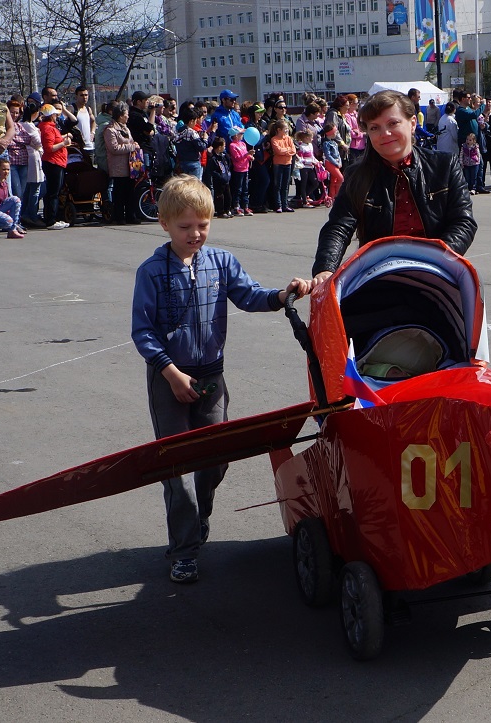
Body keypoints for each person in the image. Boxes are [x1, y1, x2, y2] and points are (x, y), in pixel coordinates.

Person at [131, 175, 311, 583]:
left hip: (211, 376)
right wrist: (170, 373)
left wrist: (283, 296)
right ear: (163, 223)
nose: (195, 234)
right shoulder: (151, 272)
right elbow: (143, 331)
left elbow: (249, 295)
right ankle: (184, 550)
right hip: (168, 378)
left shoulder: (222, 262)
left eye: (203, 225)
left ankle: (198, 522)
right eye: (185, 226)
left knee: (215, 460)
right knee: (176, 469)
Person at [312, 90, 476, 283]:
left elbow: (463, 222)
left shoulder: (444, 164)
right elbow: (338, 226)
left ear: (413, 123)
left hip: (437, 277)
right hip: (380, 279)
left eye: (393, 123)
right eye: (374, 128)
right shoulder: (357, 175)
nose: (385, 134)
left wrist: (436, 260)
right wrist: (325, 269)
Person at [103, 101, 141, 225]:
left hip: (130, 166)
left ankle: (131, 215)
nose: (128, 116)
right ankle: (119, 216)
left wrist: (134, 145)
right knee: (119, 193)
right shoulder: (110, 130)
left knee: (130, 192)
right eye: (126, 114)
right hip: (118, 167)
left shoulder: (126, 128)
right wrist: (131, 147)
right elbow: (114, 148)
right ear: (120, 115)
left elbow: (130, 142)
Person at [39, 104, 72, 229]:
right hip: (53, 162)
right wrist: (64, 143)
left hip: (57, 162)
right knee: (53, 192)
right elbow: (49, 148)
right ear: (51, 116)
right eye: (55, 115)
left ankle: (53, 217)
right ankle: (51, 220)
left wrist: (63, 137)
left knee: (54, 191)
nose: (56, 117)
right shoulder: (48, 128)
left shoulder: (49, 127)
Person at [268, 120, 296, 213]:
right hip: (278, 164)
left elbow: (293, 150)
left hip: (288, 163)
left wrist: (286, 151)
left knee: (285, 185)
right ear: (279, 130)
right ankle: (278, 205)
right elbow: (278, 151)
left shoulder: (288, 139)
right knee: (278, 185)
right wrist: (287, 151)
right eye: (285, 129)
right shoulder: (274, 139)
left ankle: (285, 205)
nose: (287, 130)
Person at [228, 127, 254, 215]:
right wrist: (247, 154)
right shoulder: (232, 145)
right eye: (240, 134)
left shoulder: (243, 144)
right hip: (238, 169)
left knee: (245, 189)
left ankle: (245, 206)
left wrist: (250, 157)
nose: (242, 136)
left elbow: (246, 155)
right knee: (238, 189)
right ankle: (236, 207)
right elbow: (237, 158)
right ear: (235, 135)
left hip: (245, 168)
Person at [320, 123, 344, 200]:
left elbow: (338, 154)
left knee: (334, 180)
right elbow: (328, 155)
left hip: (336, 162)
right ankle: (338, 194)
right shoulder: (326, 143)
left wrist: (339, 162)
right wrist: (336, 163)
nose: (336, 133)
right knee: (341, 178)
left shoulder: (334, 142)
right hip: (330, 163)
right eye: (335, 132)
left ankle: (332, 196)